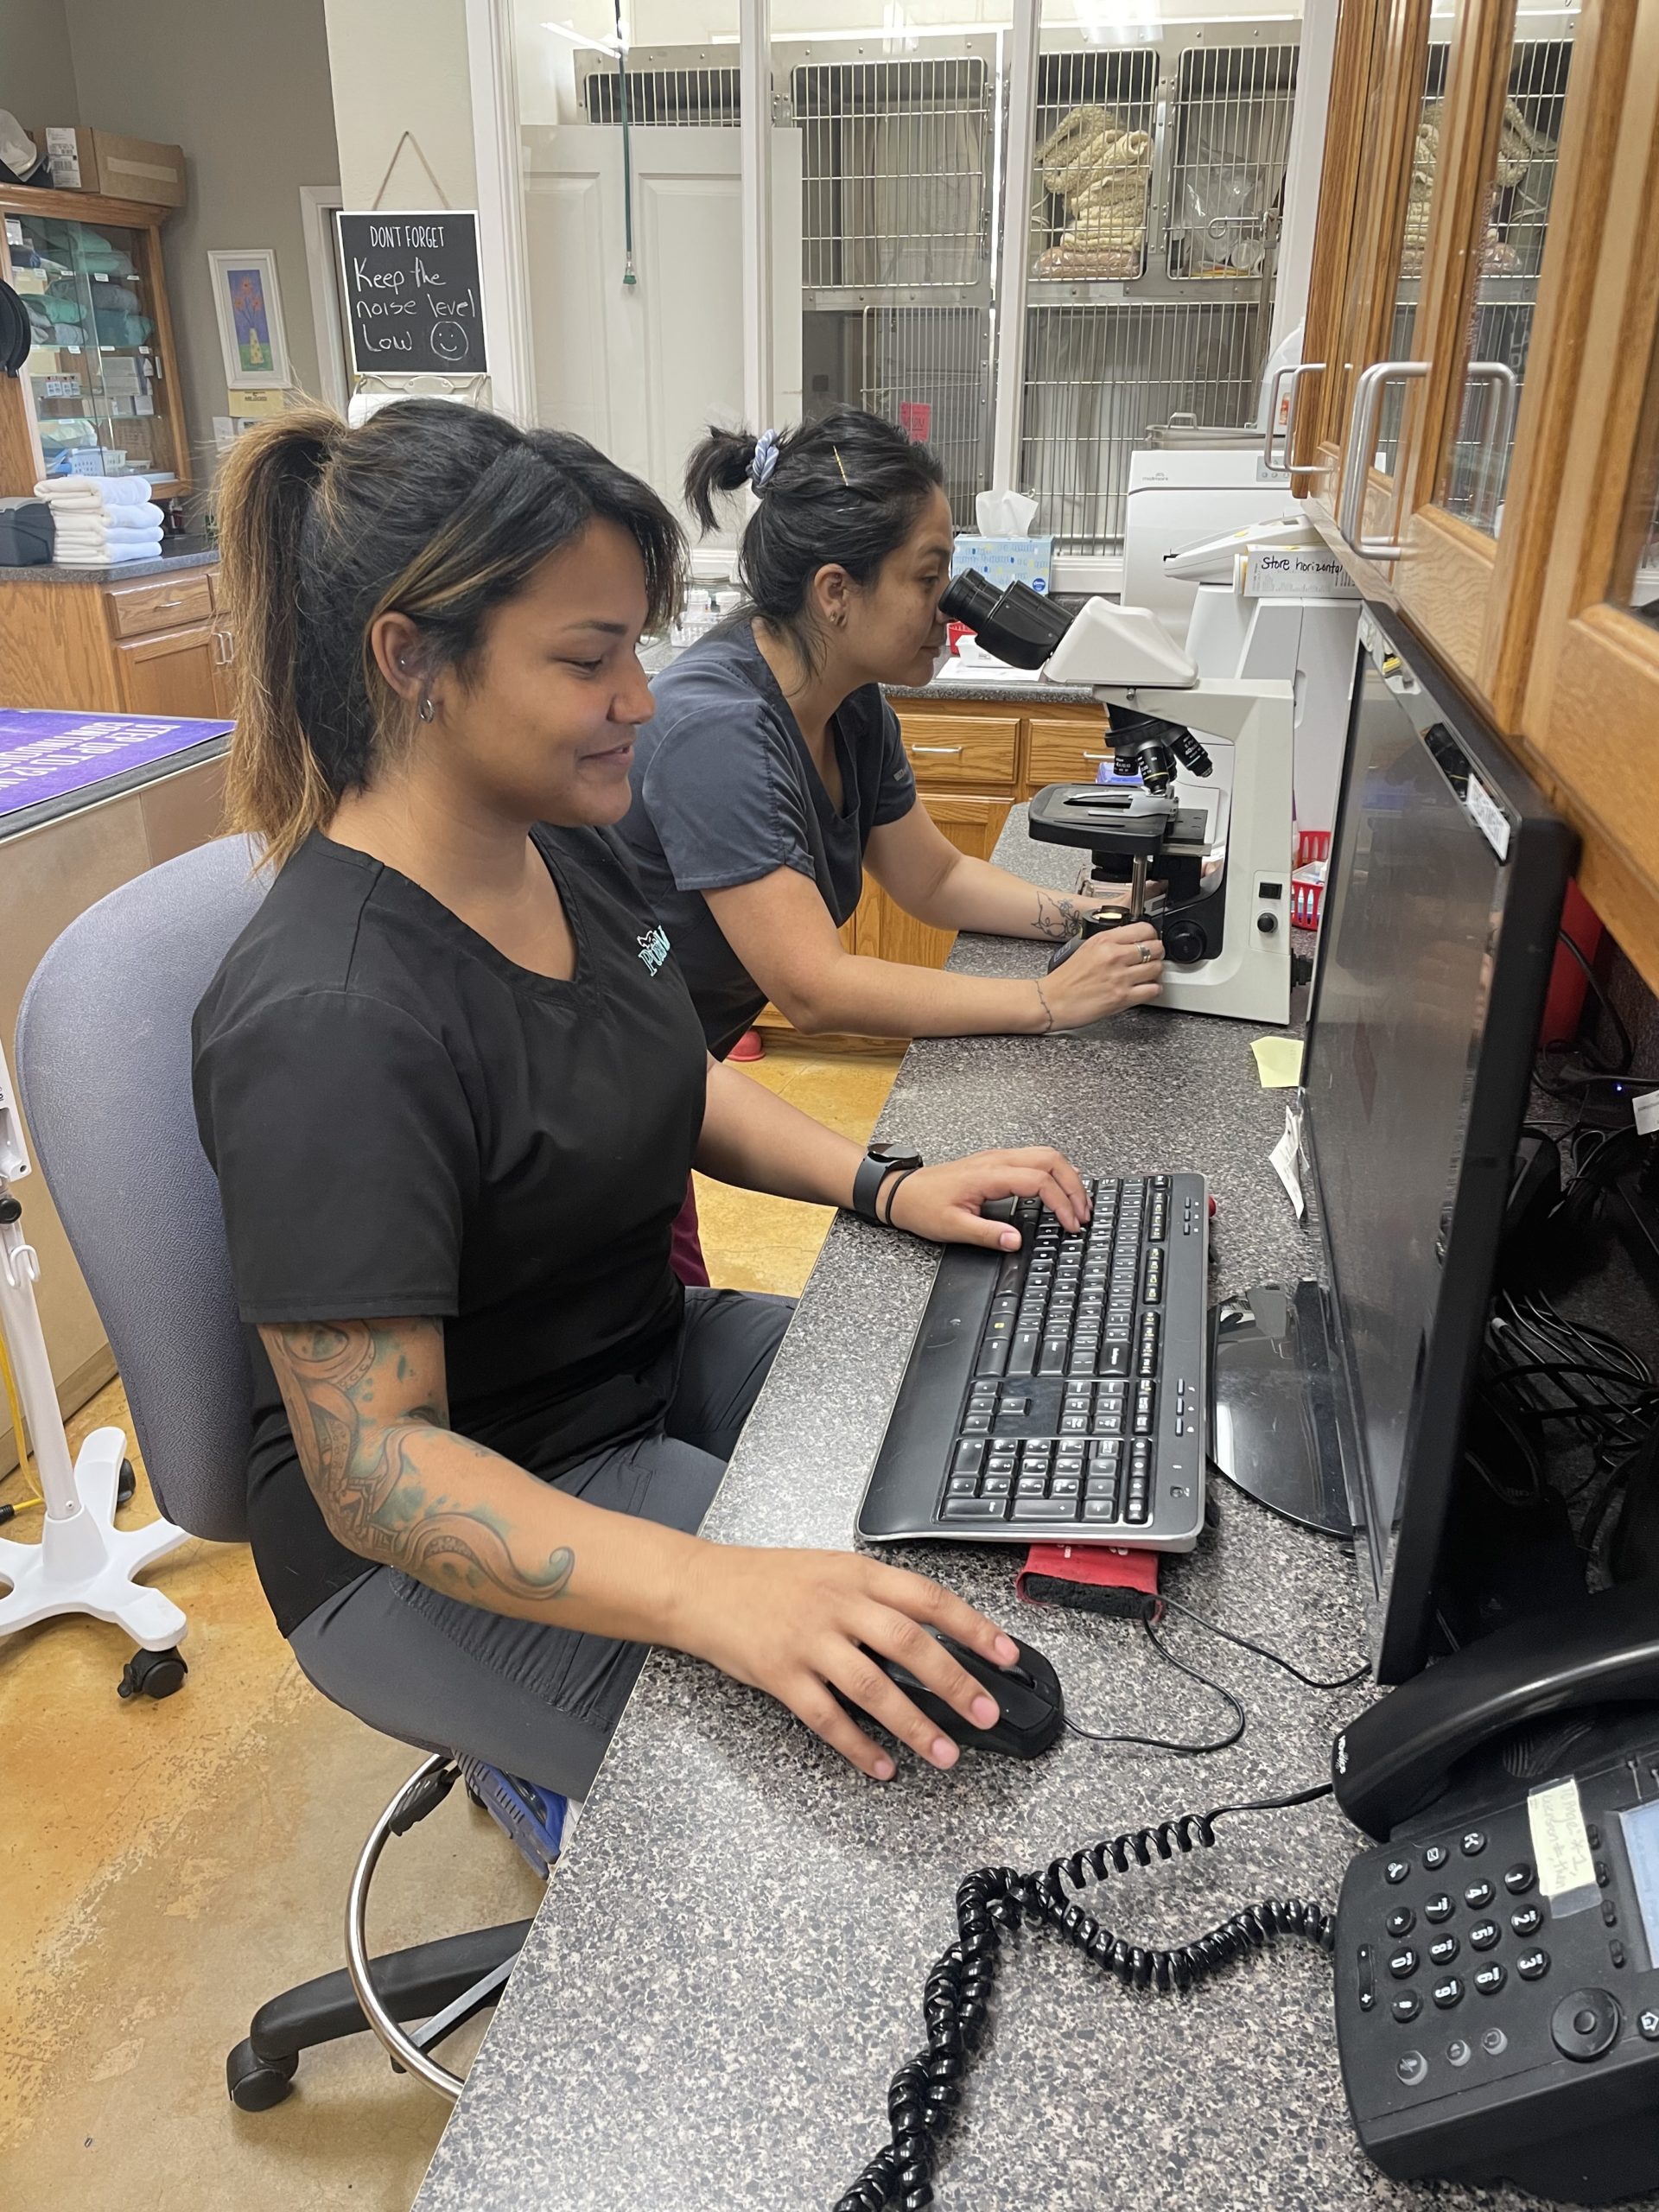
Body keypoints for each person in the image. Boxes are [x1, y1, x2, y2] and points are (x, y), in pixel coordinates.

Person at [193, 398, 1095, 1802]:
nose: (641, 699)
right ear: (411, 660)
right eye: (588, 658)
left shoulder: (562, 847)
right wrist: (705, 1588)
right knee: (909, 1760)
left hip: (639, 1357)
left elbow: (679, 1082)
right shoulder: (331, 1016)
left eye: (636, 649)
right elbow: (375, 1470)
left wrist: (890, 1185)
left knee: (985, 1415)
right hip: (445, 1518)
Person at [616, 409, 1166, 1059]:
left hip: (682, 1061)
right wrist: (1047, 1000)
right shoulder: (718, 733)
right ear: (835, 592)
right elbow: (815, 989)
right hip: (609, 1070)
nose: (950, 608)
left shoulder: (851, 703)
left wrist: (1097, 917)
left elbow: (935, 879)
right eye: (929, 579)